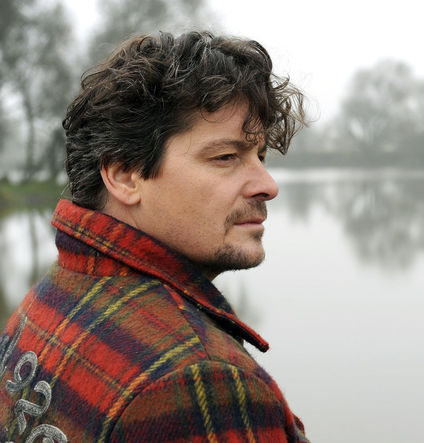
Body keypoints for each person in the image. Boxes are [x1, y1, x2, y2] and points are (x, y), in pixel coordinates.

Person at [0, 31, 308, 442]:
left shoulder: (52, 296)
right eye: (226, 157)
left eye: (260, 156)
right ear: (125, 175)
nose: (268, 185)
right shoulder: (201, 381)